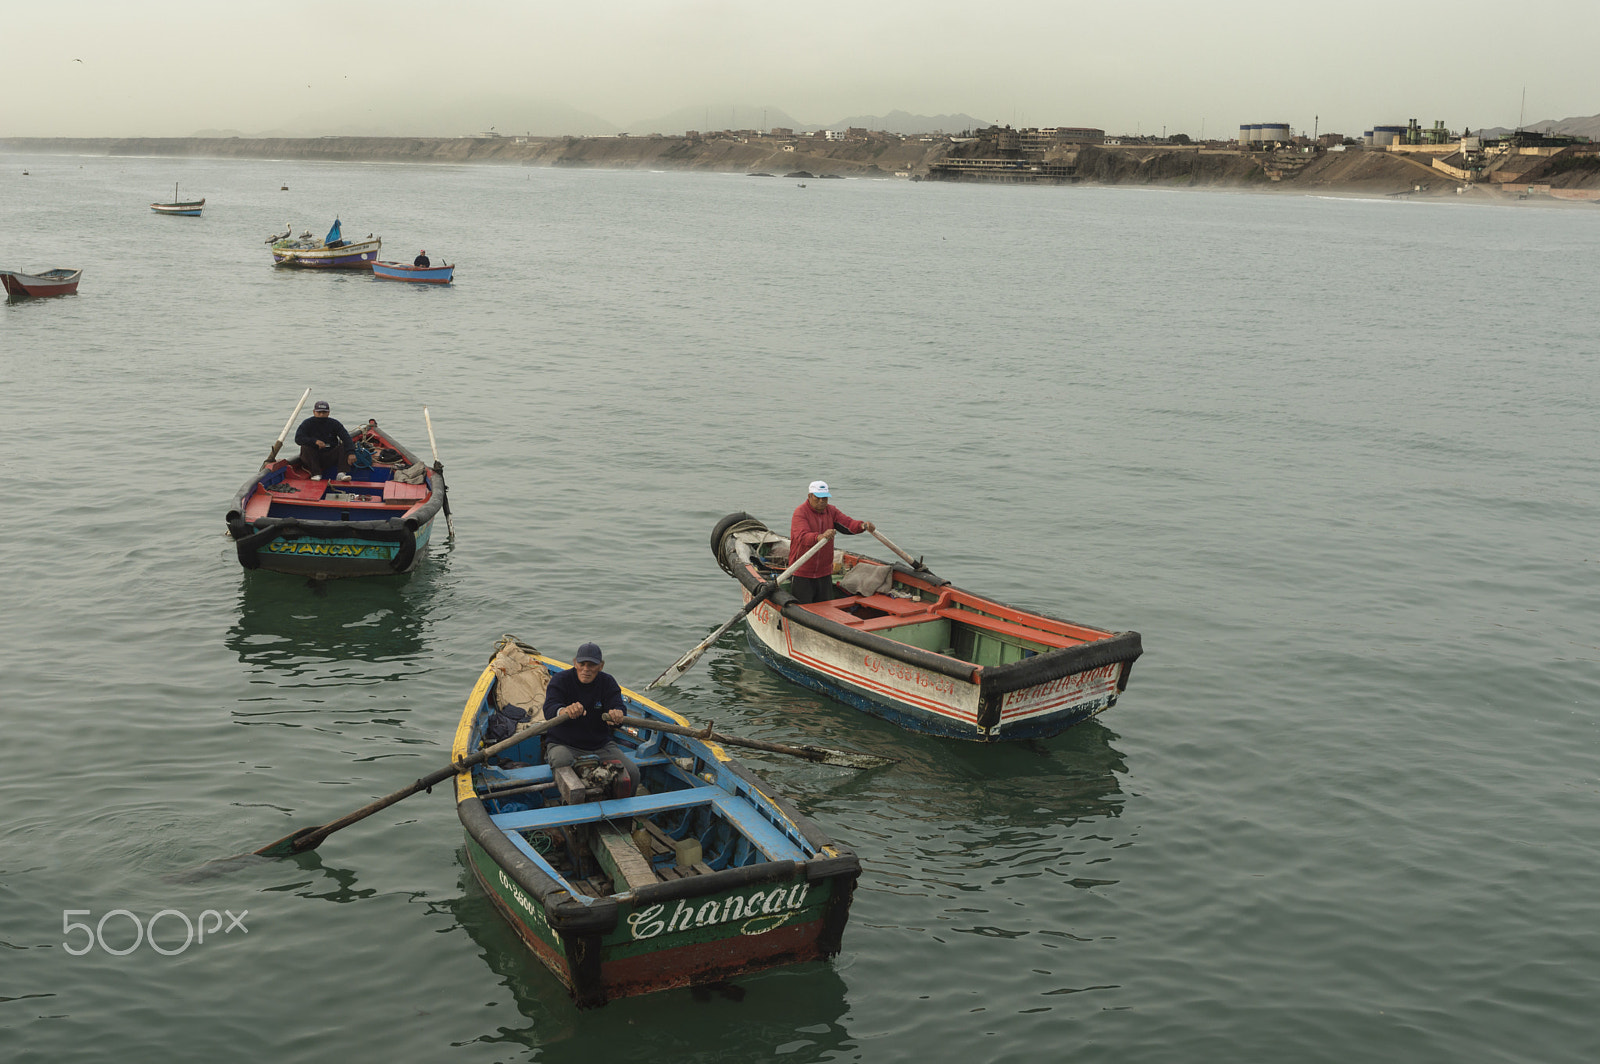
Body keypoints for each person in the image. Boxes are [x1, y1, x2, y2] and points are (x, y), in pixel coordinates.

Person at [540, 643, 640, 792]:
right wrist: (564, 711)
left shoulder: (608, 682)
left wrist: (617, 715)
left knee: (633, 773)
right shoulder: (560, 680)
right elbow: (549, 709)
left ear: (601, 666)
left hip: (600, 745)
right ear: (574, 662)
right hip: (563, 743)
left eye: (592, 665)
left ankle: (622, 815)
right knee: (563, 765)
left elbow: (618, 708)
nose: (586, 669)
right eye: (582, 664)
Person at [788, 480, 875, 604]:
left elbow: (848, 524)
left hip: (824, 572)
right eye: (818, 498)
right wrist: (820, 537)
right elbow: (802, 536)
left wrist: (862, 526)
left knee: (825, 608)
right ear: (809, 496)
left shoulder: (831, 511)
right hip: (802, 571)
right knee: (803, 608)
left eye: (825, 498)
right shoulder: (800, 513)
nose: (822, 501)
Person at [294, 400, 355, 481]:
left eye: (324, 412)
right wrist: (314, 441)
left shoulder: (334, 423)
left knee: (343, 446)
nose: (321, 415)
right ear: (314, 412)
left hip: (330, 454)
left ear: (328, 413)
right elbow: (298, 438)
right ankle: (316, 474)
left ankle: (341, 474)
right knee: (305, 447)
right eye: (319, 412)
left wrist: (351, 453)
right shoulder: (307, 423)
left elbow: (346, 437)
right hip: (313, 457)